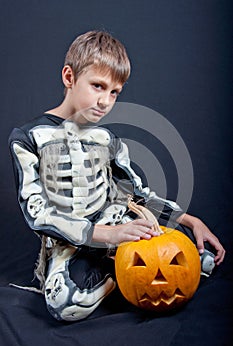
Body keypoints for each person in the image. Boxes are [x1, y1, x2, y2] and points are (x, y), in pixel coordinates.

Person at [8, 30, 225, 322]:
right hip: (71, 240)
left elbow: (137, 194)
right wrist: (108, 237)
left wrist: (190, 220)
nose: (105, 101)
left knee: (203, 260)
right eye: (98, 86)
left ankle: (128, 265)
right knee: (65, 305)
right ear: (69, 77)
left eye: (114, 92)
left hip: (114, 221)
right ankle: (122, 272)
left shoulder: (107, 139)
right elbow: (38, 214)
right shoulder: (27, 138)